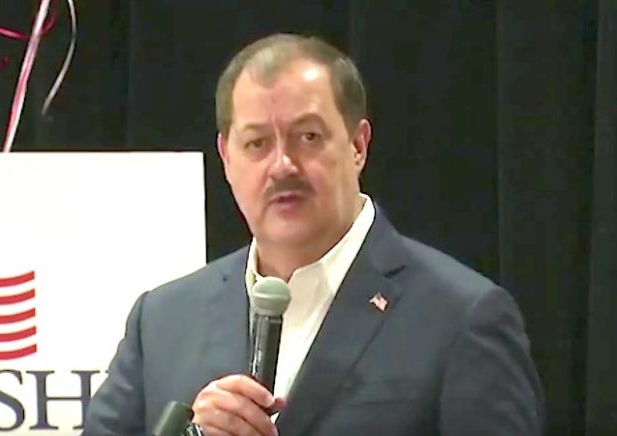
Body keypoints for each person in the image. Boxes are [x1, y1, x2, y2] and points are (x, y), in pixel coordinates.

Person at [83, 33, 544, 436]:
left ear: (358, 145)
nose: (282, 166)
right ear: (226, 158)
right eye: (257, 143)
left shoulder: (461, 318)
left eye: (307, 137)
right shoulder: (162, 319)